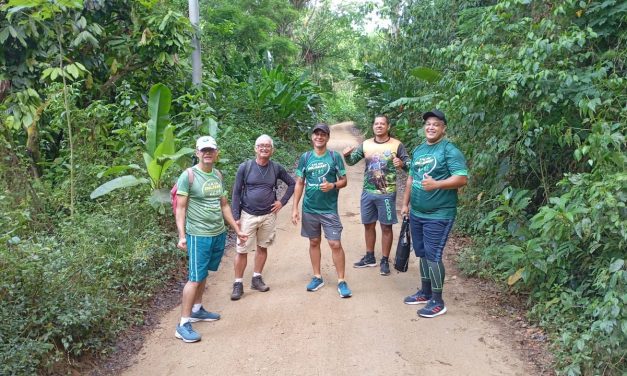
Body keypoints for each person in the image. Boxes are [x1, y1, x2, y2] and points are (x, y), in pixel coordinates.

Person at [174, 136, 248, 342]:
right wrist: (182, 236)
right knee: (195, 278)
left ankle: (197, 309)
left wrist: (236, 229)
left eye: (211, 150)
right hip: (198, 234)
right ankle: (183, 324)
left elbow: (223, 205)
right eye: (203, 150)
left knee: (204, 272)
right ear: (197, 153)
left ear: (216, 153)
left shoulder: (217, 174)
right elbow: (180, 208)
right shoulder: (188, 176)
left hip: (217, 233)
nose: (207, 153)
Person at [401, 110, 468, 318]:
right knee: (421, 253)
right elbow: (411, 179)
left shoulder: (449, 150)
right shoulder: (420, 150)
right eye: (428, 124)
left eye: (436, 124)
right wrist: (405, 204)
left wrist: (437, 184)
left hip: (439, 213)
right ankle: (425, 292)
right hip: (417, 212)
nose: (431, 127)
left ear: (443, 128)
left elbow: (462, 178)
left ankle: (438, 302)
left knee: (433, 255)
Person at [230, 134, 296, 300]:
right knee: (241, 249)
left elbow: (292, 183)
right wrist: (236, 216)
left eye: (267, 146)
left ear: (272, 150)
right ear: (255, 149)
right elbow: (236, 192)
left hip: (268, 215)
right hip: (247, 215)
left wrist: (282, 202)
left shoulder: (276, 168)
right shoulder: (245, 167)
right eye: (261, 146)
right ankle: (238, 283)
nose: (264, 148)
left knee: (262, 247)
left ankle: (256, 278)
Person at [343, 114, 410, 276]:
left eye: (382, 124)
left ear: (388, 127)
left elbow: (410, 166)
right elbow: (352, 161)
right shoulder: (365, 144)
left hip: (387, 194)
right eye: (376, 124)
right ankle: (370, 256)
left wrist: (402, 164)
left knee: (386, 227)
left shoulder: (397, 145)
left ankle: (385, 260)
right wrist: (346, 155)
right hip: (367, 192)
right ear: (373, 126)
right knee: (368, 224)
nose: (379, 126)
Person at [291, 123, 352, 298]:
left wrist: (332, 185)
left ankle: (341, 280)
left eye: (323, 134)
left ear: (327, 137)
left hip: (329, 209)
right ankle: (317, 276)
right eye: (316, 134)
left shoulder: (334, 157)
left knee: (335, 244)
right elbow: (300, 182)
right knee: (314, 242)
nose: (319, 137)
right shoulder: (305, 157)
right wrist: (295, 207)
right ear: (312, 137)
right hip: (309, 208)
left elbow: (344, 181)